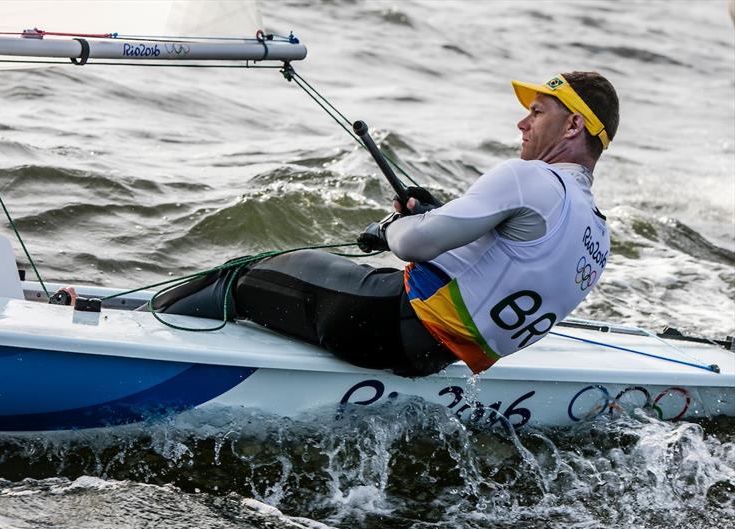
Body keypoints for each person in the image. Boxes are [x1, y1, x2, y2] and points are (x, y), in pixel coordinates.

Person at [142, 71, 619, 377]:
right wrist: (432, 213)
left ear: (573, 126)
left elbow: (413, 244)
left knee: (240, 277)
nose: (523, 123)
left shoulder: (529, 179)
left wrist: (392, 223)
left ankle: (143, 337)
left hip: (381, 322)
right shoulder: (596, 233)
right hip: (433, 357)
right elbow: (496, 271)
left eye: (537, 112)